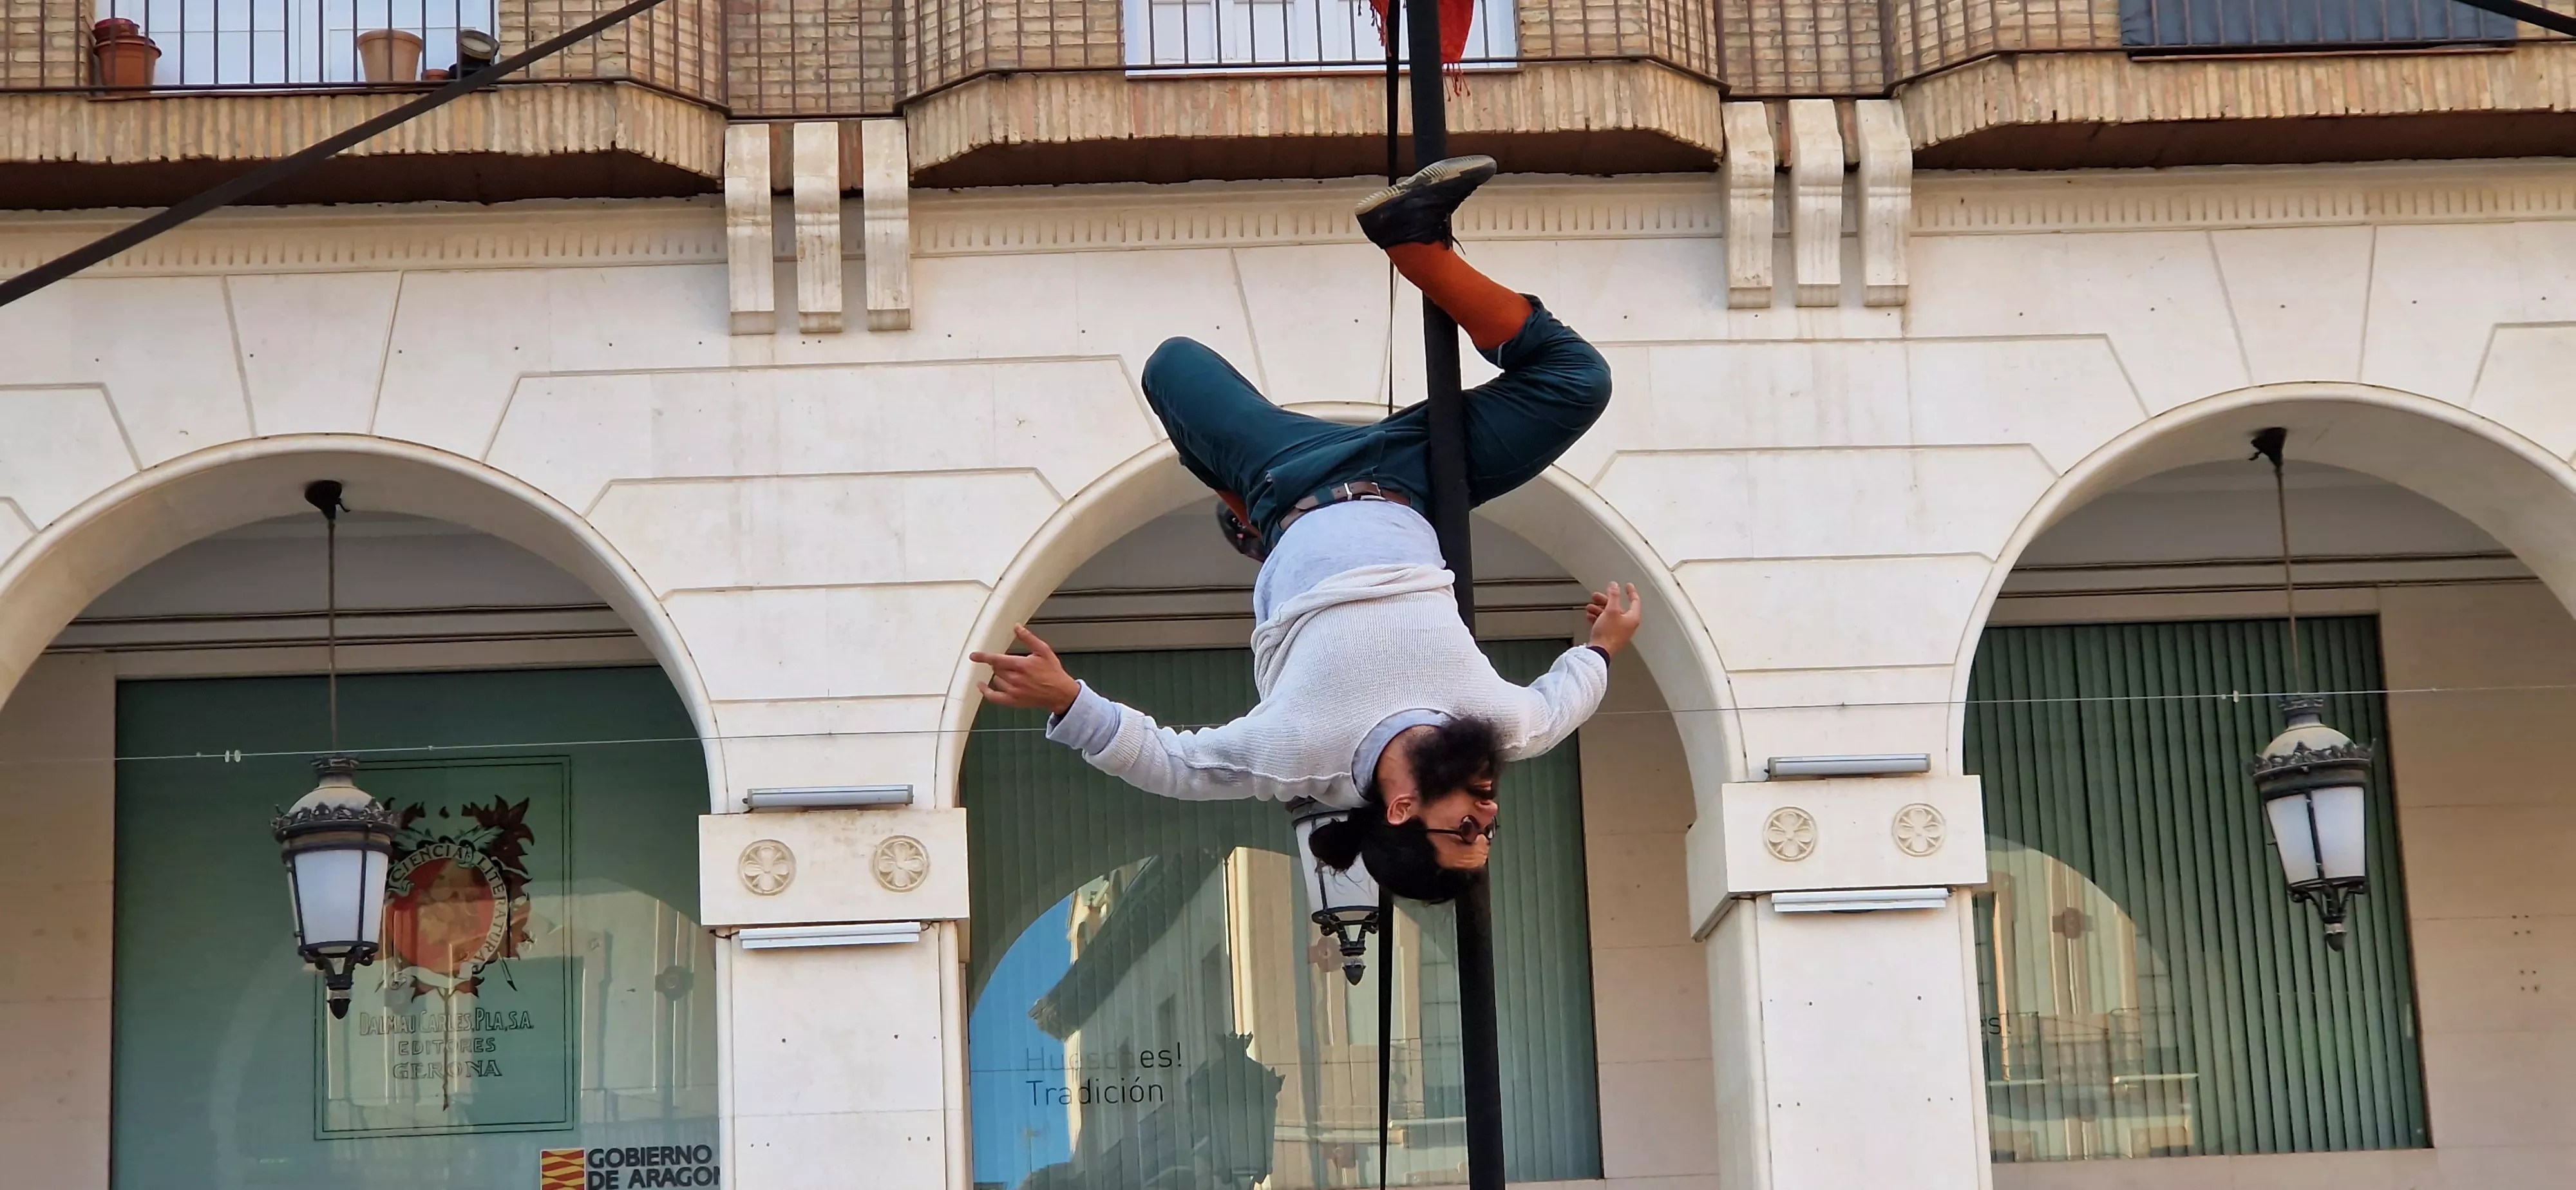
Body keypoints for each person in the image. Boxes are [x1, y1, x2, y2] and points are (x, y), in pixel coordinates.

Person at [974, 155, 1642, 903]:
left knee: (1172, 368)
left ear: (1400, 811)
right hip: (1420, 479)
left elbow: (1170, 765)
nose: (1486, 815)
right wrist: (1606, 641)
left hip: (1289, 482)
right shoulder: (1505, 725)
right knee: (1577, 382)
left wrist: (1067, 699)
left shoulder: (1299, 754)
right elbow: (1569, 696)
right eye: (1488, 833)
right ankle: (1413, 239)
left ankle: (1257, 522)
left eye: (1463, 832)